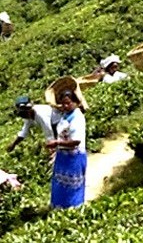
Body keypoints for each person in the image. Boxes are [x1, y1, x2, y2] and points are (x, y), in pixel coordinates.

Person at [44, 78, 89, 210]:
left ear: (75, 102)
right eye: (62, 104)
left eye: (68, 103)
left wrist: (57, 143)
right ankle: (59, 209)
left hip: (74, 157)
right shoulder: (65, 116)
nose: (65, 106)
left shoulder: (78, 117)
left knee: (73, 187)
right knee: (60, 186)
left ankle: (74, 210)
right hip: (63, 157)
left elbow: (76, 141)